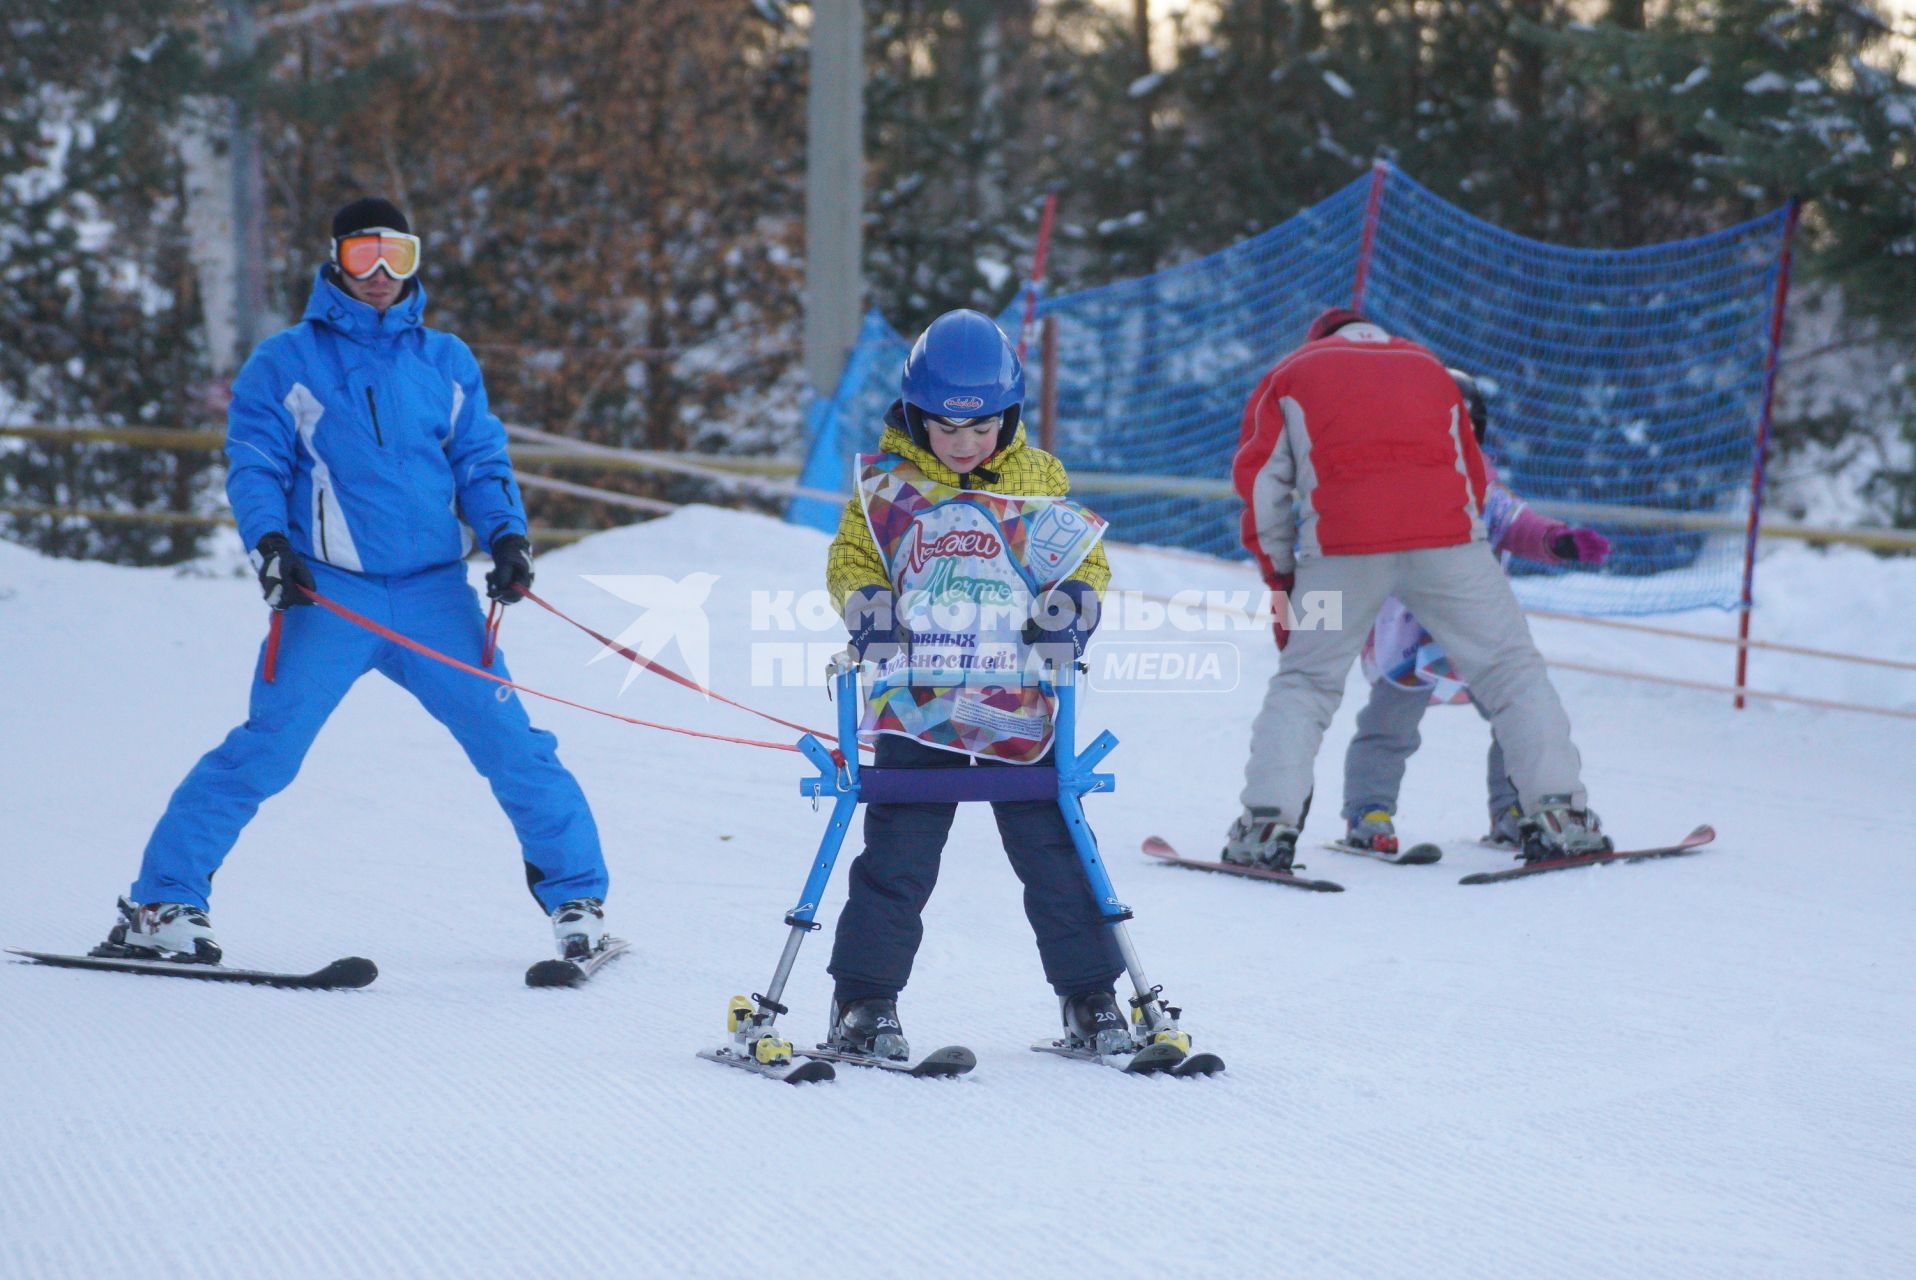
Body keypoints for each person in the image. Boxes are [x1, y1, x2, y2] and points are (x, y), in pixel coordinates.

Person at [100, 197, 612, 965]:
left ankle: (578, 899)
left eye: (396, 255)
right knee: (265, 751)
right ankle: (165, 904)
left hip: (435, 597)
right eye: (363, 254)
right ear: (335, 257)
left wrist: (507, 535)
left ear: (414, 261)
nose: (379, 274)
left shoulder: (446, 361)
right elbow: (257, 464)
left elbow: (479, 460)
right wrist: (270, 544)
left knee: (514, 744)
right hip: (330, 596)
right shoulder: (286, 360)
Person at [821, 308, 1132, 1060]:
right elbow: (852, 559)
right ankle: (865, 1002)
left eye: (981, 429)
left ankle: (1090, 998)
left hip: (1015, 701)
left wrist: (1069, 610)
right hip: (918, 700)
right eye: (945, 430)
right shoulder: (886, 488)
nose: (962, 446)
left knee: (1053, 845)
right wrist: (870, 608)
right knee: (899, 852)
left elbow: (1079, 559)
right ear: (915, 415)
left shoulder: (1039, 477)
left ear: (1008, 417)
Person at [1224, 307, 1608, 871]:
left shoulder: (1293, 372)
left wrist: (1283, 576)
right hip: (1449, 543)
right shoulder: (1428, 367)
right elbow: (1472, 475)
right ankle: (1560, 818)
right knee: (1512, 671)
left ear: (1322, 340)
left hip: (1341, 546)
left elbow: (1261, 482)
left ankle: (1264, 828)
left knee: (1306, 683)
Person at [1341, 369, 1613, 853]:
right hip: (1411, 636)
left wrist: (1558, 541)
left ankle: (1515, 809)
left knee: (1517, 716)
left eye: (1461, 427)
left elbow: (1518, 525)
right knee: (1388, 726)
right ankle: (1369, 812)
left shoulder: (1484, 487)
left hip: (1477, 635)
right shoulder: (1389, 480)